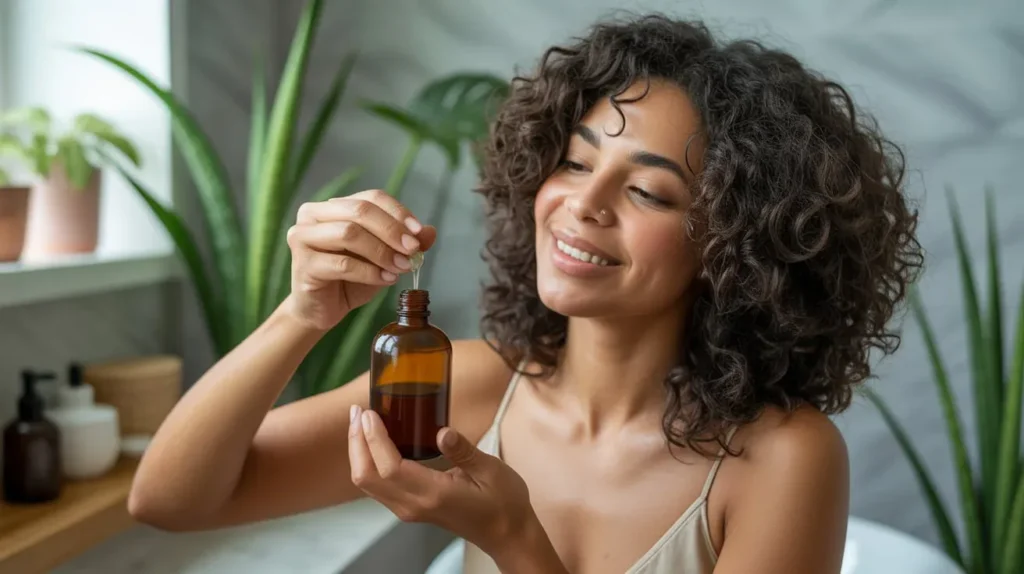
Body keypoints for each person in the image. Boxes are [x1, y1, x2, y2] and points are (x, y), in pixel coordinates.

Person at [127, 13, 924, 574]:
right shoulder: (473, 389)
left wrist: (515, 539)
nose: (583, 202)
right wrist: (301, 313)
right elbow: (170, 498)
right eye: (575, 163)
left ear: (738, 248)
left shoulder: (782, 461)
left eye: (649, 192)